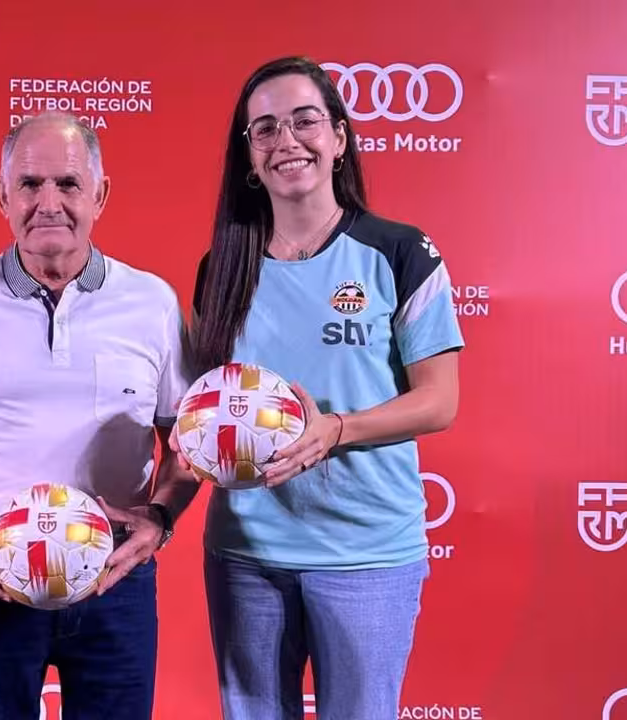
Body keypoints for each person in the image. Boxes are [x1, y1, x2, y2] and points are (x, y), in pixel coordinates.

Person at [185, 56, 465, 720]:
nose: (287, 141)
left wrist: (334, 431)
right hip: (245, 551)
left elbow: (439, 399)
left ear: (338, 138)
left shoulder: (400, 252)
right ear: (249, 157)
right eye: (265, 130)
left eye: (305, 120)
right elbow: (208, 399)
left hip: (365, 551)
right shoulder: (221, 266)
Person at [0, 111, 199, 720]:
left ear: (100, 194)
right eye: (30, 184)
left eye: (68, 184)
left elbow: (188, 444)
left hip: (115, 581)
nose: (49, 203)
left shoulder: (152, 303)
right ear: (1, 195)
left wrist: (160, 518)